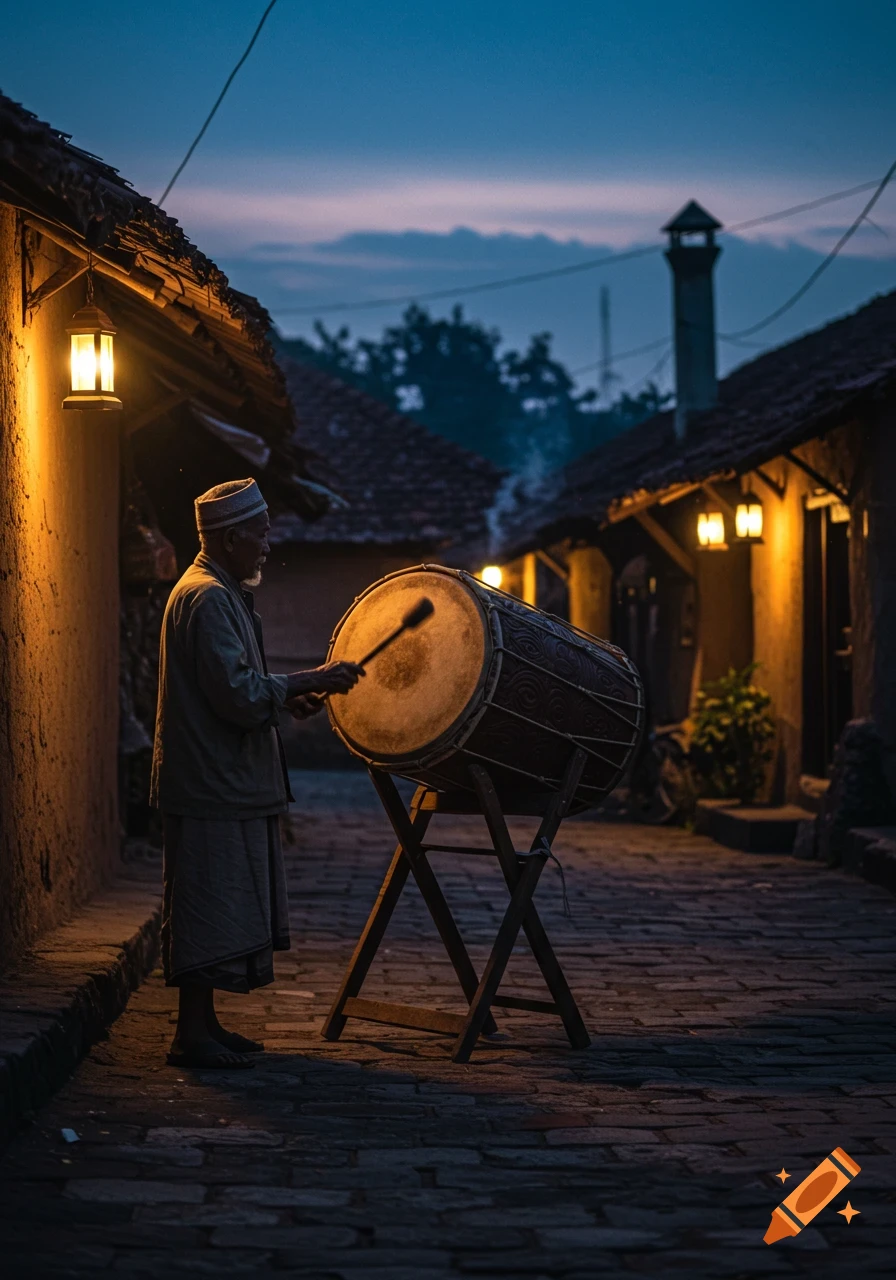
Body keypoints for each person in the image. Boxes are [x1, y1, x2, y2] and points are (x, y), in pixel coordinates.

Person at [151, 478, 364, 1068]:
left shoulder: (219, 592)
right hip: (210, 782)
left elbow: (241, 690)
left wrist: (286, 699)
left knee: (218, 901)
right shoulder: (208, 597)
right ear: (230, 537)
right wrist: (310, 679)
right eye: (262, 533)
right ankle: (190, 1036)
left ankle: (206, 1024)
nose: (269, 544)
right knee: (204, 901)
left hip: (222, 779)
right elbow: (239, 697)